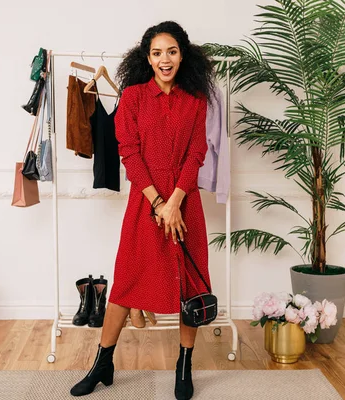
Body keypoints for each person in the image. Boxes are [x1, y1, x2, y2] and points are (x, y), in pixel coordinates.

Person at [70, 21, 215, 400]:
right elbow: (129, 154)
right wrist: (159, 204)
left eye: (171, 51)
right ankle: (103, 363)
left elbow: (196, 152)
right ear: (146, 58)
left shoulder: (196, 99)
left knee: (191, 285)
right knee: (127, 282)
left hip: (186, 205)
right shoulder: (132, 97)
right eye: (156, 53)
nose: (164, 59)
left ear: (183, 55)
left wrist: (177, 201)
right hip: (146, 204)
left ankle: (184, 367)